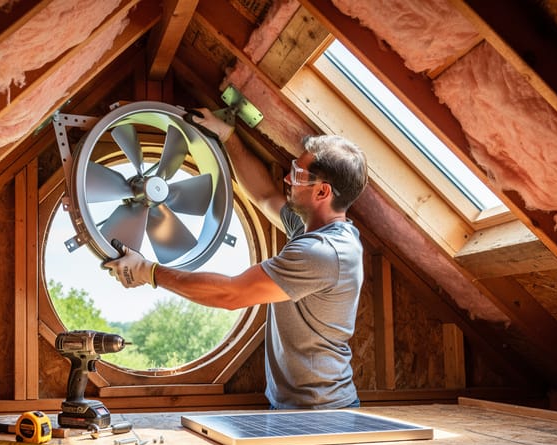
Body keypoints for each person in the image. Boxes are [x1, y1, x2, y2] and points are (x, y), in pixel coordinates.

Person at [103, 109, 369, 409]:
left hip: (322, 413)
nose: (287, 178)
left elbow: (231, 294)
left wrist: (148, 271)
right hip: (301, 407)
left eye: (297, 175)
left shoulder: (322, 252)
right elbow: (265, 195)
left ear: (322, 192)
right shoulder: (311, 229)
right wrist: (228, 136)